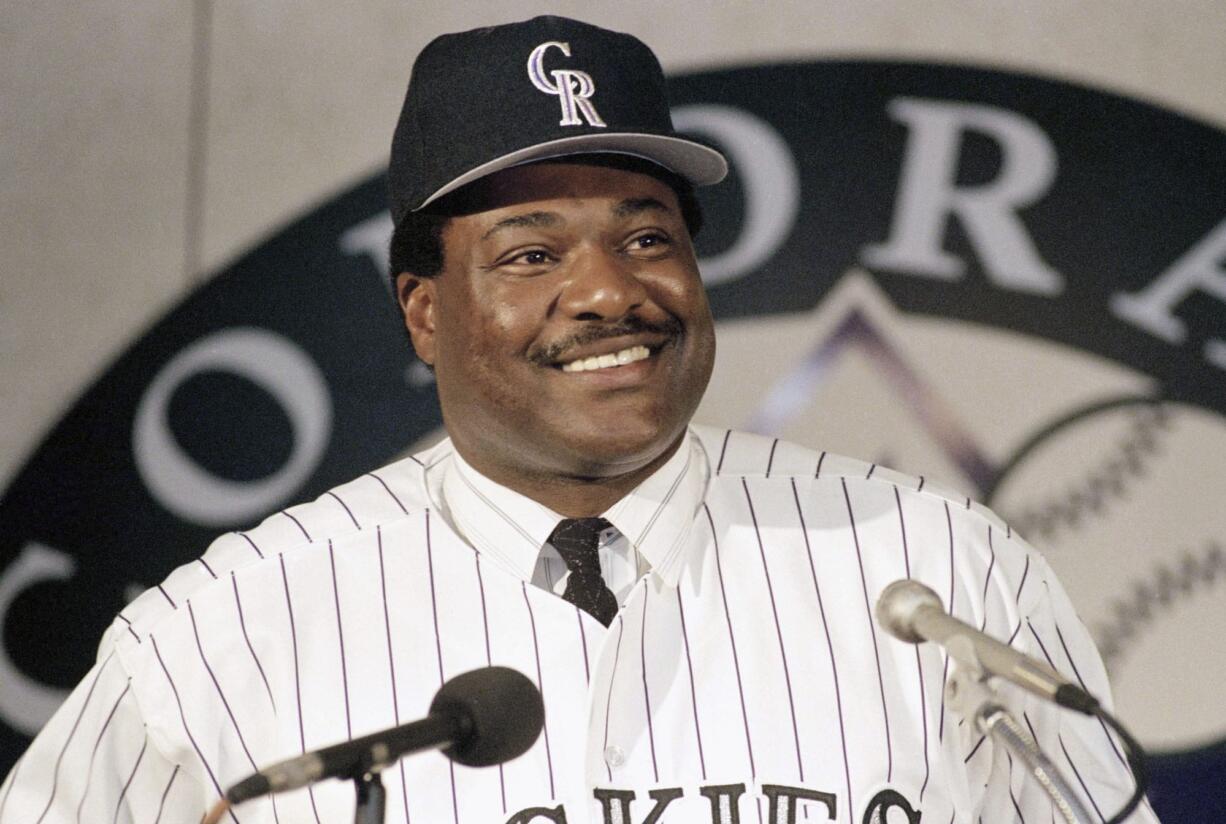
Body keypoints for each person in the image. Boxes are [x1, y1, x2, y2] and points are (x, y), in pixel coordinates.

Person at [0, 15, 1156, 824]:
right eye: (533, 251)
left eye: (646, 234)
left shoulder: (937, 569)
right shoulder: (223, 628)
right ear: (421, 312)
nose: (609, 290)